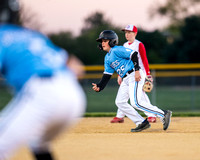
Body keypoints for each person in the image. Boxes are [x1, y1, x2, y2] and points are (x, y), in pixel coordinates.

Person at [0, 0, 86, 159]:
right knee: (37, 143)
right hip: (73, 96)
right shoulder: (32, 35)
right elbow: (76, 66)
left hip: (42, 93)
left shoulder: (2, 34)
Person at [92, 30, 172, 132]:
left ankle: (163, 114)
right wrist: (99, 86)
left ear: (112, 41)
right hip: (126, 79)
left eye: (105, 40)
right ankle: (141, 123)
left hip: (134, 74)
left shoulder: (117, 50)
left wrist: (137, 71)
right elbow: (107, 75)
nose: (102, 43)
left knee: (136, 102)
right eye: (101, 41)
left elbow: (134, 54)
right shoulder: (107, 58)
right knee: (120, 102)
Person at [111, 25, 156, 123]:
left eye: (129, 32)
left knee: (140, 95)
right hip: (127, 73)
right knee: (124, 94)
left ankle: (151, 115)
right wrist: (120, 75)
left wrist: (148, 74)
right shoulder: (124, 45)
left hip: (139, 73)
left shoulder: (139, 44)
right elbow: (122, 62)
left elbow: (144, 59)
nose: (127, 34)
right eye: (126, 32)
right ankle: (120, 116)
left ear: (135, 33)